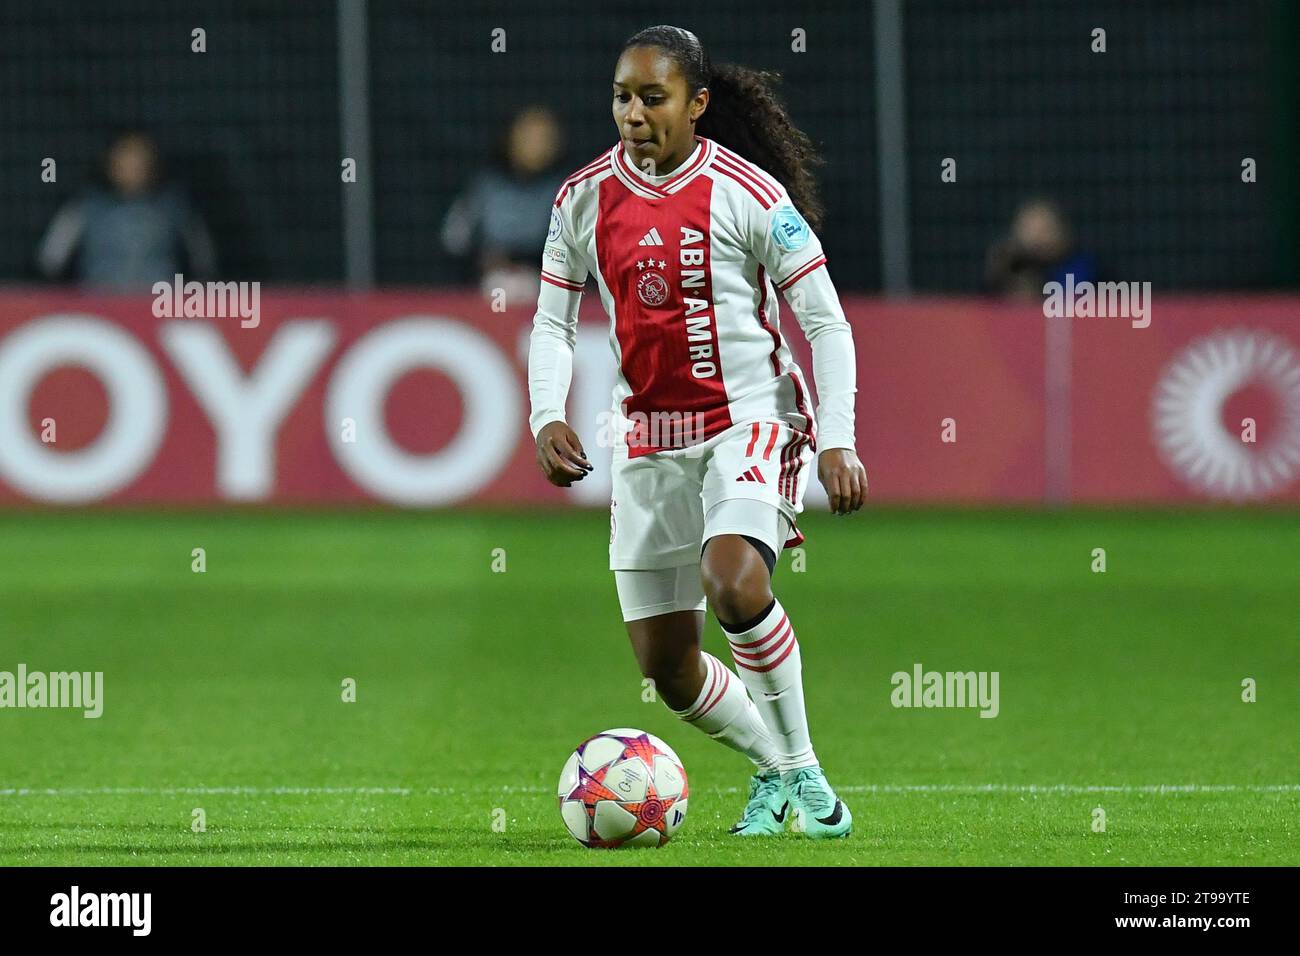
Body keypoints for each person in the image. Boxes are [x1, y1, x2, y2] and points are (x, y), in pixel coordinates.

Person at [527, 25, 866, 838]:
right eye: (622, 96)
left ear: (696, 104)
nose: (634, 112)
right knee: (668, 669)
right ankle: (775, 770)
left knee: (735, 583)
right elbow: (551, 321)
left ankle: (808, 781)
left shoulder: (749, 193)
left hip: (749, 420)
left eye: (653, 96)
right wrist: (545, 413)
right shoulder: (583, 197)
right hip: (648, 439)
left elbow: (825, 321)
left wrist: (837, 437)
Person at [36, 130, 216, 291]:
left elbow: (203, 261)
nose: (133, 169)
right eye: (126, 162)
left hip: (158, 305)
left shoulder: (175, 207)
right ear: (110, 164)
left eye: (139, 161)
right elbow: (51, 259)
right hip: (101, 306)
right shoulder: (86, 207)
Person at [441, 106, 567, 301]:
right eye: (528, 138)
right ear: (510, 138)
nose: (535, 146)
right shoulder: (486, 186)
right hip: (487, 286)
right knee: (500, 288)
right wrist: (485, 260)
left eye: (543, 139)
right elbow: (454, 239)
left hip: (547, 288)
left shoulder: (567, 190)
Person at [985, 197, 1096, 298]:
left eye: (1044, 230)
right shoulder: (1009, 264)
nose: (1037, 239)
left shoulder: (1080, 266)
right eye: (1031, 230)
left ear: (1061, 231)